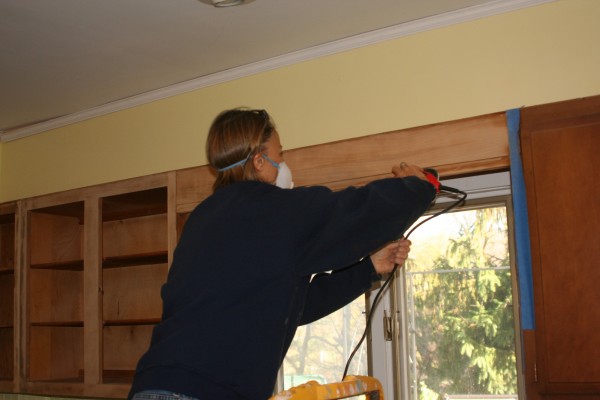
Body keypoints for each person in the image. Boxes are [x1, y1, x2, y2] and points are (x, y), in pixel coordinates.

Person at [128, 108, 437, 400]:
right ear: (259, 162)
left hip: (152, 386)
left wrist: (368, 268)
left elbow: (292, 306)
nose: (285, 164)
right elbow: (357, 212)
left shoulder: (202, 218)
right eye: (281, 155)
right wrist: (418, 187)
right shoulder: (276, 210)